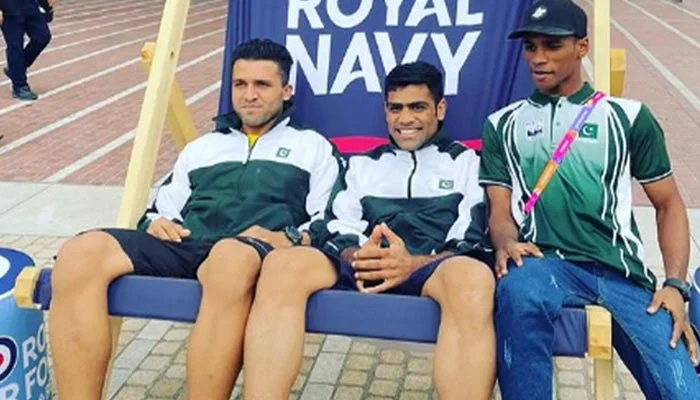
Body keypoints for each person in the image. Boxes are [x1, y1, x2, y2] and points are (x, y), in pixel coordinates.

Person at [47, 38, 342, 400]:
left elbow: (330, 219)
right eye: (240, 84)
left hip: (250, 251)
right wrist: (156, 223)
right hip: (189, 243)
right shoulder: (203, 148)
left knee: (229, 257)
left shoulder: (312, 147)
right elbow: (160, 209)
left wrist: (291, 238)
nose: (249, 95)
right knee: (81, 252)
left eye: (262, 85)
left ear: (286, 90)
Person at [478, 0, 700, 398]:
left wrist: (674, 285)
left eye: (552, 45)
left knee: (682, 392)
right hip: (546, 263)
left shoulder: (629, 117)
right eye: (530, 47)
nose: (538, 57)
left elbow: (668, 205)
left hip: (622, 274)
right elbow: (499, 210)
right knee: (516, 289)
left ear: (582, 47)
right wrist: (507, 242)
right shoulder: (501, 124)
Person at [240, 61, 497, 399]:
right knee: (281, 265)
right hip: (363, 265)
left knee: (473, 278)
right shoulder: (362, 164)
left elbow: (471, 238)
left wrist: (411, 264)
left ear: (440, 109)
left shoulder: (468, 164)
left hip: (432, 269)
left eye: (417, 107)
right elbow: (337, 224)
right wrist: (359, 256)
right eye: (395, 108)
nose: (405, 119)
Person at [0, 0, 54, 100]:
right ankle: (19, 86)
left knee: (42, 37)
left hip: (30, 5)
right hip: (8, 8)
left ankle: (14, 70)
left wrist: (46, 6)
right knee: (15, 46)